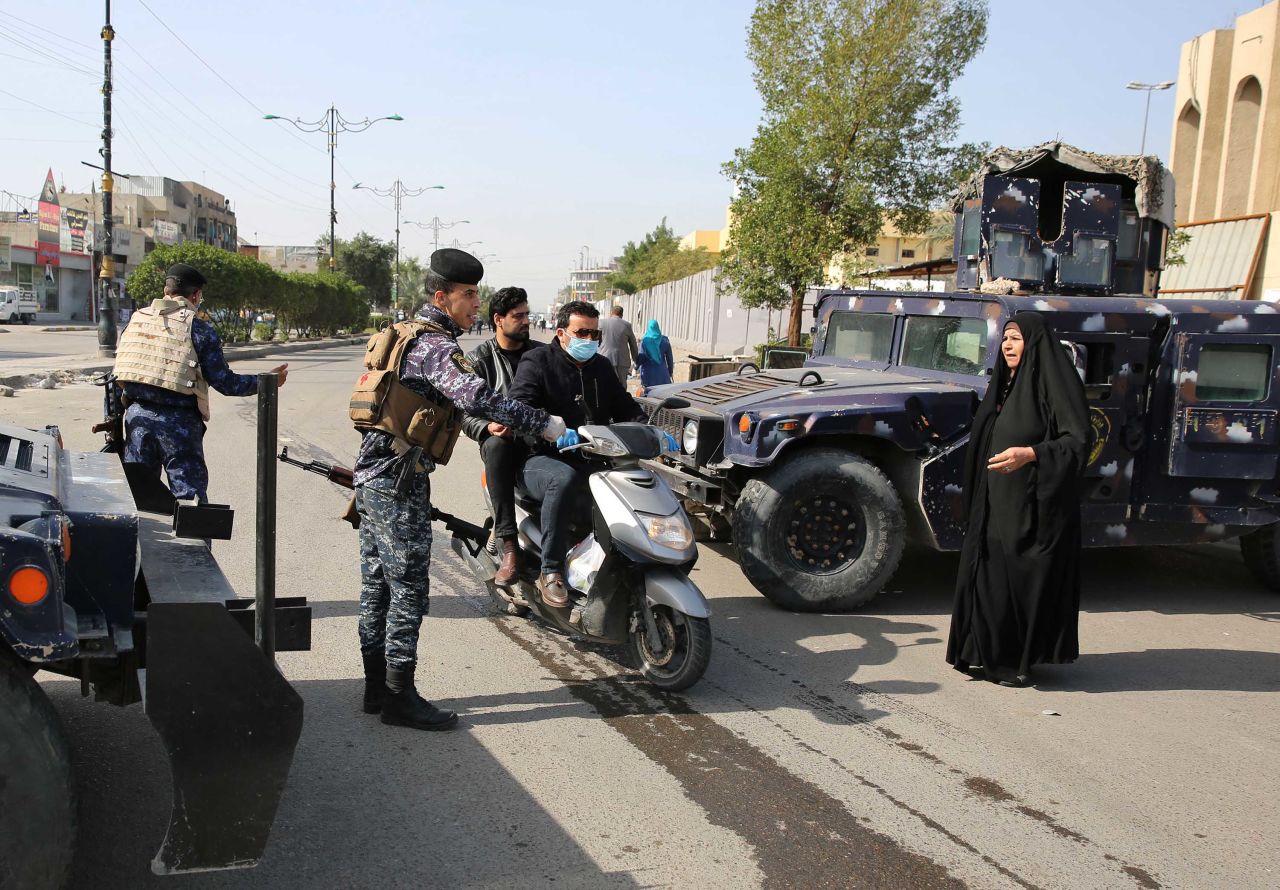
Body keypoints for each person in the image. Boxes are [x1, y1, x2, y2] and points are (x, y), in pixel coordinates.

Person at [351, 249, 566, 731]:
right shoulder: (434, 347)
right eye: (468, 295)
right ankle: (398, 697)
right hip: (397, 480)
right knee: (406, 589)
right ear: (441, 297)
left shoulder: (404, 335)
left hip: (374, 476)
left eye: (476, 294)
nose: (476, 303)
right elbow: (476, 398)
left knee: (377, 587)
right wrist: (543, 423)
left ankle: (375, 690)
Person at [946, 312, 1090, 687]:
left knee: (1016, 582)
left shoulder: (1055, 384)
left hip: (1031, 507)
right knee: (986, 576)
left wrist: (1031, 454)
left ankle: (1013, 661)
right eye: (1005, 338)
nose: (1008, 345)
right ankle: (980, 654)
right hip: (992, 502)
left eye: (1017, 338)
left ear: (1035, 343)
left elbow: (1077, 442)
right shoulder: (1005, 385)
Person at [508, 300, 651, 608]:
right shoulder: (537, 362)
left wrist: (650, 430)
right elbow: (518, 408)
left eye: (594, 334)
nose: (589, 340)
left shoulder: (600, 367)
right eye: (581, 332)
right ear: (561, 333)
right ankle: (551, 571)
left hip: (591, 456)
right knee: (565, 478)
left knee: (631, 483)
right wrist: (550, 431)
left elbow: (624, 405)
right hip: (539, 460)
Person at [113, 263, 288, 504]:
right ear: (195, 295)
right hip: (180, 426)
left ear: (167, 290)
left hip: (136, 421)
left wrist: (112, 417)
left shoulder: (135, 321)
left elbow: (119, 373)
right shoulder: (199, 329)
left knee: (138, 499)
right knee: (190, 504)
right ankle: (192, 543)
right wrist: (267, 382)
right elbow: (226, 383)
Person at [461, 286, 544, 587]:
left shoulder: (541, 354)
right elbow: (462, 413)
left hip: (540, 440)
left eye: (527, 315)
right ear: (498, 319)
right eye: (518, 316)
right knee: (495, 446)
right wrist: (486, 427)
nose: (526, 321)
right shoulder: (478, 360)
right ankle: (510, 546)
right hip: (505, 443)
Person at [598, 304, 638, 387]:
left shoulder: (601, 323)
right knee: (622, 384)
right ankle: (621, 399)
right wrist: (635, 359)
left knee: (605, 382)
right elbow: (633, 344)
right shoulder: (627, 325)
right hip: (622, 360)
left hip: (605, 358)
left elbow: (595, 340)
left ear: (611, 313)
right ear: (622, 315)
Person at [635, 319, 674, 393]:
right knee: (663, 395)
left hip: (648, 373)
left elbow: (641, 357)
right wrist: (670, 371)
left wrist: (636, 368)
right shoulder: (665, 340)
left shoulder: (644, 341)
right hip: (662, 373)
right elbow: (670, 358)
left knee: (648, 396)